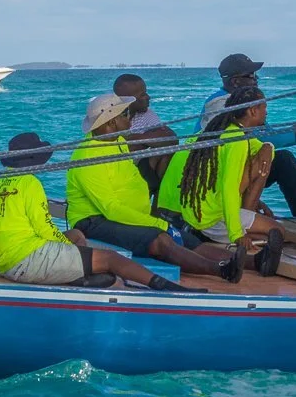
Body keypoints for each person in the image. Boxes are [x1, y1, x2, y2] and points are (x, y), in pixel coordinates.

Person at [67, 95, 244, 282]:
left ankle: (255, 261)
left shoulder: (116, 140)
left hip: (123, 215)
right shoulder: (87, 158)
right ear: (112, 122)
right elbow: (112, 209)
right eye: (126, 114)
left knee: (187, 239)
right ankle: (221, 270)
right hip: (93, 221)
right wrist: (158, 223)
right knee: (160, 238)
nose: (131, 118)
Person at [0, 132, 195, 290]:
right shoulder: (29, 182)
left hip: (6, 261)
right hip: (28, 259)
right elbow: (43, 228)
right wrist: (66, 245)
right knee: (110, 258)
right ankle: (168, 288)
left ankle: (79, 276)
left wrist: (70, 242)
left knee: (77, 235)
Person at [162, 85, 285, 276]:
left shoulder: (226, 131)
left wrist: (268, 146)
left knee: (269, 232)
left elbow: (259, 146)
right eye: (264, 109)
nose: (266, 113)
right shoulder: (236, 141)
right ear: (253, 110)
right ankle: (238, 235)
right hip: (214, 216)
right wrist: (237, 234)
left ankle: (241, 234)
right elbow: (228, 187)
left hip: (196, 214)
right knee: (278, 230)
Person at [202, 53, 296, 219]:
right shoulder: (219, 104)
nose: (256, 79)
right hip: (223, 174)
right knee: (283, 160)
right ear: (235, 81)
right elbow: (260, 139)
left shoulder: (238, 102)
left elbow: (265, 133)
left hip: (239, 166)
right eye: (251, 76)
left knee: (282, 159)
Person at [113, 73, 178, 189]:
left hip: (136, 164)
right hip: (114, 168)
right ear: (127, 100)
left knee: (168, 152)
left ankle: (157, 202)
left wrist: (136, 139)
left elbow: (171, 138)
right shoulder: (109, 119)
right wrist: (146, 140)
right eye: (142, 94)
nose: (148, 97)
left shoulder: (146, 114)